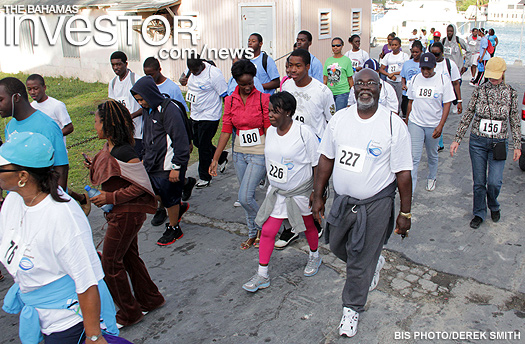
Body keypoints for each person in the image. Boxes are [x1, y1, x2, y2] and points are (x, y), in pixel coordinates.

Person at [312, 69, 412, 338]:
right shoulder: (339, 120)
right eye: (360, 84)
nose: (365, 88)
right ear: (352, 87)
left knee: (357, 262)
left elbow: (403, 173)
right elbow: (326, 159)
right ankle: (372, 261)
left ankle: (351, 308)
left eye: (371, 83)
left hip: (376, 203)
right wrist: (318, 194)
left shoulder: (393, 124)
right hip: (343, 202)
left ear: (381, 88)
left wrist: (405, 212)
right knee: (336, 245)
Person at [0, 131, 118, 344]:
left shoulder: (62, 216)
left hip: (69, 322)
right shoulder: (13, 201)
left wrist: (93, 336)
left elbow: (86, 280)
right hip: (39, 315)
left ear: (23, 177)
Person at [87, 100, 165, 328]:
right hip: (121, 213)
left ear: (108, 125)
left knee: (110, 264)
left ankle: (129, 313)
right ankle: (151, 299)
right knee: (129, 257)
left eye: (96, 122)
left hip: (127, 214)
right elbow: (115, 173)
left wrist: (109, 198)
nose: (94, 126)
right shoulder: (111, 147)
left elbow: (141, 186)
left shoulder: (124, 151)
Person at [242, 91, 322, 292]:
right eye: (269, 111)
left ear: (288, 112)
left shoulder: (304, 133)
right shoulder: (270, 131)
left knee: (308, 226)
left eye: (275, 112)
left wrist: (317, 193)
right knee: (268, 231)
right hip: (278, 193)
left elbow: (317, 164)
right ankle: (262, 275)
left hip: (301, 192)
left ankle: (314, 256)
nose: (270, 115)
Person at [450, 57, 521, 229]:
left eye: (496, 76)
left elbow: (514, 120)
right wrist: (457, 139)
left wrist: (517, 145)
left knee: (495, 182)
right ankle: (479, 213)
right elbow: (468, 114)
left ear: (503, 73)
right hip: (478, 142)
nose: (493, 79)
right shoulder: (480, 91)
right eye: (490, 76)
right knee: (479, 182)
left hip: (499, 142)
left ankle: (494, 205)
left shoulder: (511, 93)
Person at [209, 59, 270, 249]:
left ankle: (263, 227)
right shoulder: (229, 100)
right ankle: (253, 233)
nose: (247, 87)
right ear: (235, 81)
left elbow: (269, 128)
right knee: (247, 198)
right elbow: (226, 129)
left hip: (259, 152)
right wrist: (215, 158)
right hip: (239, 153)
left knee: (244, 196)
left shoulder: (263, 99)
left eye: (250, 83)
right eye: (243, 84)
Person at [131, 76, 191, 246]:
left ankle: (174, 227)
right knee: (156, 194)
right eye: (138, 100)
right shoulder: (147, 110)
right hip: (152, 161)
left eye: (142, 99)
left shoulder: (169, 110)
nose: (141, 103)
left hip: (168, 164)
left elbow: (180, 140)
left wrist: (177, 167)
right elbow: (148, 135)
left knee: (170, 196)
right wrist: (143, 157)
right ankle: (177, 208)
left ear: (150, 94)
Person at [143, 57, 195, 224]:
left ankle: (172, 217)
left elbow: (181, 115)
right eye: (146, 75)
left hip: (169, 150)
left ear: (159, 69)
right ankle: (164, 205)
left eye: (151, 74)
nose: (149, 78)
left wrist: (189, 141)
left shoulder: (171, 90)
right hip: (154, 149)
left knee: (168, 185)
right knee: (156, 185)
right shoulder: (146, 100)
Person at [0, 77, 69, 190]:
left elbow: (61, 167)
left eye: (0, 100)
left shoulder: (47, 125)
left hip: (42, 196)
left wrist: (57, 200)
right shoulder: (9, 126)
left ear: (16, 97)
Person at [406, 53, 455, 192]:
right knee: (414, 157)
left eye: (428, 68)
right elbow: (410, 101)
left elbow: (447, 104)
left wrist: (440, 125)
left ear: (434, 66)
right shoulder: (415, 78)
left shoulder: (443, 79)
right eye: (423, 68)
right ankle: (410, 190)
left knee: (432, 154)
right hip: (416, 122)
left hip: (433, 124)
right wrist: (407, 120)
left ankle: (432, 177)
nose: (425, 72)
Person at [185, 54, 229, 188]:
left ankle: (205, 176)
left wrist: (228, 116)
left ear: (201, 65)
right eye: (191, 71)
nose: (193, 73)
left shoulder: (213, 74)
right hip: (195, 113)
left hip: (210, 116)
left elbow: (225, 95)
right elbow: (185, 79)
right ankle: (221, 157)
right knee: (197, 142)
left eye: (195, 70)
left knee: (203, 146)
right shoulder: (191, 70)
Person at [283, 49, 335, 140]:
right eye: (290, 65)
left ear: (307, 67)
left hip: (315, 142)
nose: (293, 70)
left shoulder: (323, 92)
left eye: (298, 66)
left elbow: (332, 121)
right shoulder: (286, 86)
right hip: (292, 140)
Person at [108, 51, 143, 159]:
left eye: (118, 64)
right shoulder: (113, 83)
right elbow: (113, 106)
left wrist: (131, 116)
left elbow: (146, 105)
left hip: (138, 131)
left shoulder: (136, 80)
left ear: (126, 64)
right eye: (113, 65)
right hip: (123, 132)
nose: (116, 68)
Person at [26, 74, 74, 145]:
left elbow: (69, 128)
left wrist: (51, 136)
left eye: (36, 88)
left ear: (44, 88)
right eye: (29, 89)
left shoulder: (57, 105)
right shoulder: (31, 106)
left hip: (56, 150)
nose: (32, 92)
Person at [379, 37, 409, 114]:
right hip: (390, 81)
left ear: (400, 45)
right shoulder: (388, 56)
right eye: (392, 45)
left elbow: (405, 69)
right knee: (389, 98)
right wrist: (389, 75)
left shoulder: (404, 56)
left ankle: (397, 115)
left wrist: (394, 73)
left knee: (398, 100)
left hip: (399, 81)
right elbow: (381, 69)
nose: (394, 47)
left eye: (396, 45)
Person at [324, 37, 354, 111]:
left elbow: (350, 78)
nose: (335, 47)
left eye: (338, 45)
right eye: (333, 46)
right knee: (330, 114)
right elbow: (325, 78)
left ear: (342, 46)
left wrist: (353, 93)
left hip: (342, 93)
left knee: (339, 114)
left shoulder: (346, 60)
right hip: (330, 93)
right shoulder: (328, 60)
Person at [401, 40, 423, 118]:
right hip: (406, 94)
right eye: (413, 52)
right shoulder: (407, 63)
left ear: (421, 51)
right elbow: (403, 77)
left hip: (418, 94)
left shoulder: (423, 64)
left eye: (417, 52)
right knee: (406, 114)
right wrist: (403, 85)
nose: (414, 54)